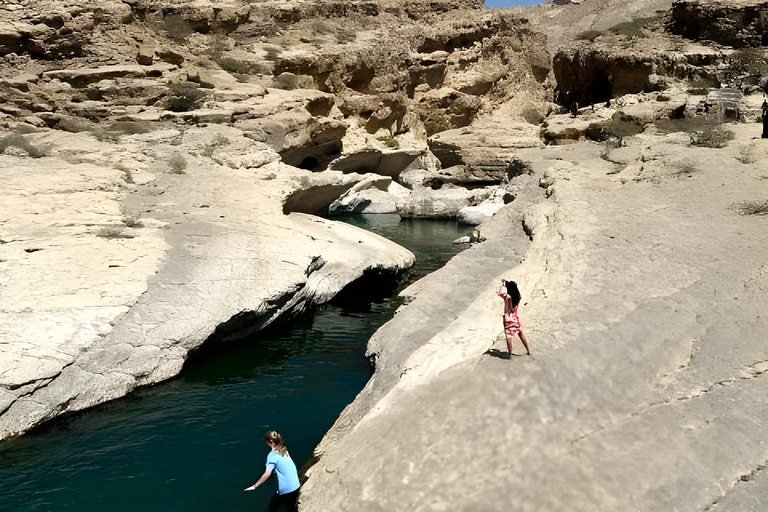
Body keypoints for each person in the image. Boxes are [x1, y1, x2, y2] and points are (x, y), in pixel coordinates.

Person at [245, 430, 300, 512]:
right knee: (292, 508)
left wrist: (254, 486)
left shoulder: (272, 456)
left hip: (286, 490)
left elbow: (267, 474)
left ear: (269, 442)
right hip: (296, 485)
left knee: (272, 508)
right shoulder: (284, 449)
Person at [496, 279, 530, 358]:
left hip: (507, 319)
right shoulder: (517, 297)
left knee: (508, 336)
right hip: (514, 318)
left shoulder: (507, 297)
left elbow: (500, 293)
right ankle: (528, 350)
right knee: (520, 333)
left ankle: (510, 354)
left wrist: (503, 285)